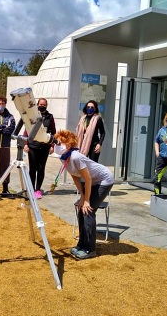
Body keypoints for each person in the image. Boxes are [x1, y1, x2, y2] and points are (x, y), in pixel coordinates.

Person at [53, 130, 114, 260]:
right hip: (92, 181)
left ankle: (90, 249)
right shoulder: (64, 157)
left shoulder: (76, 157)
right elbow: (74, 176)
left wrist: (86, 201)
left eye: (61, 142)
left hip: (103, 180)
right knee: (81, 210)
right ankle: (81, 244)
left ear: (69, 145)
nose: (57, 145)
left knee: (88, 211)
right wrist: (82, 196)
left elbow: (88, 179)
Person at [23, 98, 56, 199]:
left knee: (41, 169)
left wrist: (52, 145)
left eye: (44, 104)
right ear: (37, 105)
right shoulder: (33, 116)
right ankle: (31, 189)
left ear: (46, 105)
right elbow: (27, 130)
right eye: (40, 104)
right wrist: (26, 144)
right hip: (33, 146)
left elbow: (53, 132)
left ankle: (38, 190)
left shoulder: (50, 117)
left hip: (44, 146)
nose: (42, 106)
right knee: (32, 169)